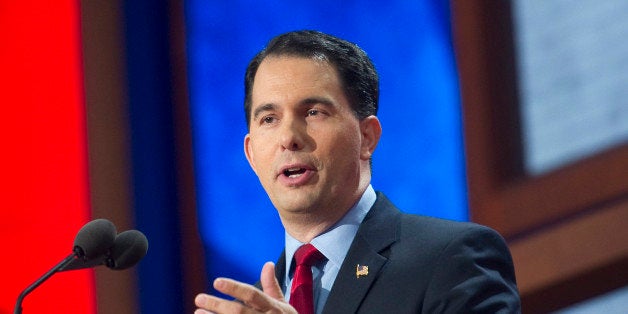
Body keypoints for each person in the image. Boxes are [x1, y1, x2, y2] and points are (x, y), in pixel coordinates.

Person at [194, 30, 520, 314]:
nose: (288, 138)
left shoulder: (450, 260)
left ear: (366, 138)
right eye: (269, 119)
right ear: (251, 153)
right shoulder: (252, 308)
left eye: (313, 112)